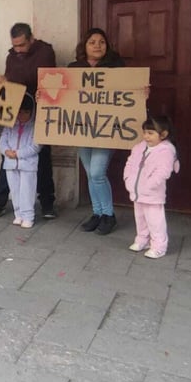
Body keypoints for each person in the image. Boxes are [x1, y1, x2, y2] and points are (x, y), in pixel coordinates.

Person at [0, 23, 57, 220]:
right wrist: (2, 80)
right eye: (14, 46)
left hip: (41, 111)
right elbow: (11, 80)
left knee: (42, 157)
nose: (18, 50)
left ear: (31, 39)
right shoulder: (12, 57)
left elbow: (49, 78)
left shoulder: (45, 52)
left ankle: (47, 204)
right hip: (17, 112)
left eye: (21, 45)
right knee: (7, 158)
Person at [69, 27, 125, 235]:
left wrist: (141, 92)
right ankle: (97, 213)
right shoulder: (74, 68)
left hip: (107, 129)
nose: (97, 45)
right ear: (85, 45)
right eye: (92, 42)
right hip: (83, 128)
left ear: (107, 46)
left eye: (101, 42)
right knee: (90, 175)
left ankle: (109, 215)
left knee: (97, 173)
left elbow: (129, 92)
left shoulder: (117, 67)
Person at [123, 115, 180, 259]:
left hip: (152, 194)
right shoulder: (139, 147)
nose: (146, 136)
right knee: (140, 217)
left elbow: (163, 173)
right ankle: (143, 240)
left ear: (163, 134)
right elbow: (130, 163)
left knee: (155, 221)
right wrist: (128, 179)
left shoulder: (166, 151)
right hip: (137, 192)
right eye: (145, 132)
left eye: (150, 133)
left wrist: (149, 186)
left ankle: (159, 246)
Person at [0, 94, 40, 228]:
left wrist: (18, 154)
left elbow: (36, 146)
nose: (22, 115)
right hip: (10, 163)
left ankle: (28, 216)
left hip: (27, 164)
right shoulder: (10, 125)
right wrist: (6, 151)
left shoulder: (35, 126)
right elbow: (2, 140)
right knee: (15, 190)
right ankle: (18, 214)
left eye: (26, 112)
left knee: (27, 190)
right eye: (19, 112)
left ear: (32, 112)